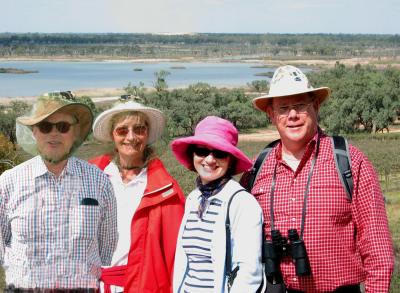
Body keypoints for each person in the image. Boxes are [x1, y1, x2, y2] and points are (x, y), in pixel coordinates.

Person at [241, 65, 395, 293]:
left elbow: (377, 246)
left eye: (300, 105)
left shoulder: (349, 161)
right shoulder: (256, 168)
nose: (292, 115)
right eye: (283, 108)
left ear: (315, 106)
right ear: (271, 115)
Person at [0, 91, 118, 292]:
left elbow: (107, 248)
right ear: (34, 132)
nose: (53, 134)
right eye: (45, 126)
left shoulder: (99, 182)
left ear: (75, 133)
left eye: (63, 127)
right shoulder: (8, 183)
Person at [89, 100, 185, 293]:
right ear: (112, 135)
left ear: (147, 134)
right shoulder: (90, 178)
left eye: (139, 129)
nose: (131, 137)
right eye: (122, 130)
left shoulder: (166, 190)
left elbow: (176, 257)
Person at [171, 116, 264, 293]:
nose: (210, 159)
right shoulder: (193, 199)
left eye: (219, 153)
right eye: (201, 151)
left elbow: (249, 272)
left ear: (230, 160)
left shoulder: (242, 203)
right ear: (193, 155)